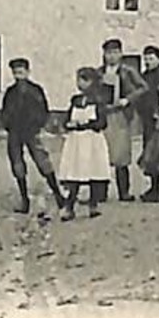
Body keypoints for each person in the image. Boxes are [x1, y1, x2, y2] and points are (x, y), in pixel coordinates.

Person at [0, 57, 61, 215]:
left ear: (28, 72)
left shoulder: (35, 90)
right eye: (15, 73)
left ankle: (58, 194)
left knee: (42, 161)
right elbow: (5, 111)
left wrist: (38, 124)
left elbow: (43, 110)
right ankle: (24, 199)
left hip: (31, 131)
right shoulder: (10, 92)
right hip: (15, 131)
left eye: (21, 72)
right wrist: (8, 124)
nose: (18, 76)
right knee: (17, 164)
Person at [97, 38, 150, 203]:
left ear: (120, 53)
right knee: (102, 153)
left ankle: (124, 192)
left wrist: (127, 99)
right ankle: (100, 192)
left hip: (121, 115)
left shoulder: (128, 71)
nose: (111, 56)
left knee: (121, 154)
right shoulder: (99, 72)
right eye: (108, 53)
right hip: (103, 115)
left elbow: (143, 87)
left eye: (114, 52)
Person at [57, 67, 110, 221]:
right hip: (76, 142)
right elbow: (66, 119)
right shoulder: (75, 100)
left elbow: (102, 123)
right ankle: (69, 206)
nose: (80, 83)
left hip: (92, 141)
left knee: (93, 172)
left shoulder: (99, 102)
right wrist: (68, 124)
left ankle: (93, 205)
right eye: (78, 80)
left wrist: (86, 124)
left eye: (84, 80)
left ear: (92, 82)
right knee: (74, 173)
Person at [136, 45, 159, 195]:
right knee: (150, 152)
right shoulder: (143, 77)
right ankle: (154, 187)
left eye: (151, 58)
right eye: (145, 59)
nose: (148, 61)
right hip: (148, 119)